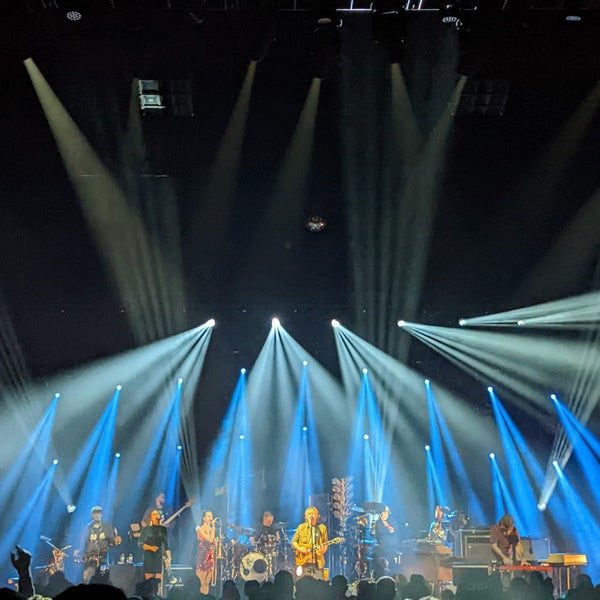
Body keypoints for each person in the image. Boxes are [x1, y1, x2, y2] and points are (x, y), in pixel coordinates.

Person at [77, 506, 121, 583]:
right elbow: (82, 542)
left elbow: (112, 542)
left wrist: (116, 540)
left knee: (102, 577)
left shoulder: (107, 527)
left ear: (101, 514)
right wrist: (79, 550)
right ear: (91, 515)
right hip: (90, 557)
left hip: (102, 556)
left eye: (99, 513)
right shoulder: (87, 528)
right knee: (87, 576)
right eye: (95, 513)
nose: (97, 515)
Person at [291, 506, 329, 580]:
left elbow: (325, 544)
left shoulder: (322, 528)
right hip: (304, 563)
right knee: (303, 584)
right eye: (309, 514)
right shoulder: (301, 527)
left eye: (313, 513)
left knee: (319, 585)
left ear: (317, 516)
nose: (311, 515)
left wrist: (322, 550)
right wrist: (301, 549)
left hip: (318, 562)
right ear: (306, 517)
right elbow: (294, 541)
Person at [140, 509, 171, 583]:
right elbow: (140, 543)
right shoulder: (146, 530)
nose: (156, 515)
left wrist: (169, 559)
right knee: (149, 582)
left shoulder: (163, 529)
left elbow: (166, 544)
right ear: (150, 517)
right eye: (153, 514)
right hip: (149, 557)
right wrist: (150, 548)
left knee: (158, 582)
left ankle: (158, 593)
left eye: (157, 514)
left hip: (159, 558)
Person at [195, 509, 216, 594]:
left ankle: (206, 596)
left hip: (210, 555)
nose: (211, 518)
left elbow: (213, 541)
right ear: (204, 518)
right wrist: (214, 528)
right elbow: (209, 539)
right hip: (202, 555)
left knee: (207, 582)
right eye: (208, 516)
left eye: (211, 516)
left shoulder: (211, 529)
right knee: (201, 581)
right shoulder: (199, 528)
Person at [372, 506, 396, 578]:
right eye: (383, 512)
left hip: (391, 547)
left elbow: (392, 530)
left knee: (391, 565)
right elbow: (373, 534)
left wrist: (386, 524)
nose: (384, 514)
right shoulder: (377, 522)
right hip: (380, 547)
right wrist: (373, 528)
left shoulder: (392, 521)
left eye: (386, 512)